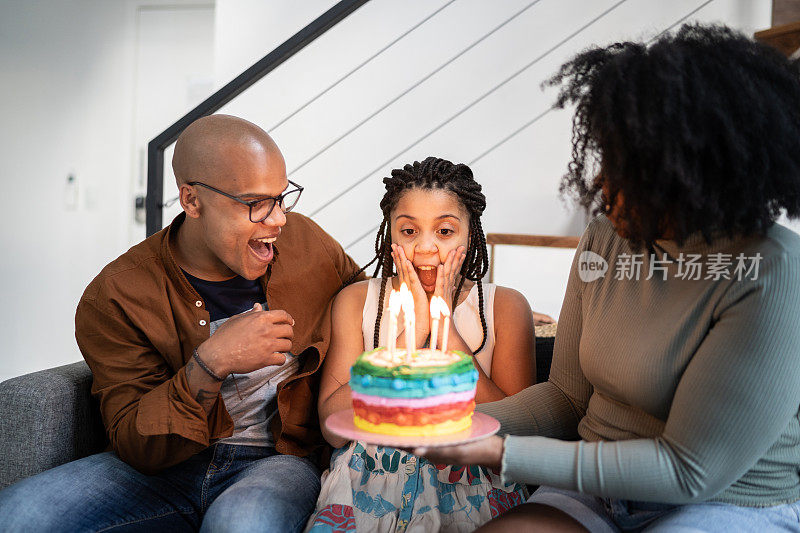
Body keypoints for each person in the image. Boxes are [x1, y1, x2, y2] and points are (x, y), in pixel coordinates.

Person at [413, 24, 800, 532]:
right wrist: (461, 423)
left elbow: (690, 471)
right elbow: (567, 399)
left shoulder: (771, 270)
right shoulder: (605, 238)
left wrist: (500, 451)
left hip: (725, 503)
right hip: (596, 490)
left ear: (695, 173)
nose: (599, 180)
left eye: (625, 165)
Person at [0, 114, 364, 532]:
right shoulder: (117, 294)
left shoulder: (307, 245)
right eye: (255, 203)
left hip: (276, 461)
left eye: (281, 197)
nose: (278, 218)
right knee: (18, 515)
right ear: (191, 201)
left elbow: (372, 307)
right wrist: (209, 364)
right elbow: (136, 445)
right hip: (162, 472)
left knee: (241, 524)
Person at [305, 157, 536, 532]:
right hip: (366, 485)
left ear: (470, 234)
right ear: (390, 234)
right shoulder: (357, 302)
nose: (426, 248)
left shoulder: (505, 307)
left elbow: (517, 431)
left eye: (445, 231)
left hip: (472, 485)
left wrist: (447, 330)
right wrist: (414, 330)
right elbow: (332, 425)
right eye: (409, 231)